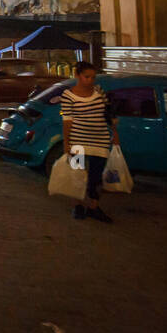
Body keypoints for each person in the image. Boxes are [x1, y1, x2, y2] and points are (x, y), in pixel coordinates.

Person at [60, 61, 119, 223]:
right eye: (86, 77)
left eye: (92, 77)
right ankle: (78, 206)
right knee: (77, 175)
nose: (90, 80)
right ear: (77, 75)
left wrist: (114, 130)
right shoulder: (68, 95)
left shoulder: (99, 91)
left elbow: (108, 112)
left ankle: (93, 207)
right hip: (77, 141)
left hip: (99, 140)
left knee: (95, 177)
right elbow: (67, 120)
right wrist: (67, 142)